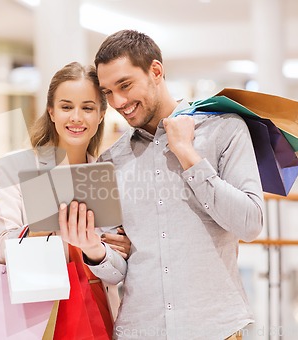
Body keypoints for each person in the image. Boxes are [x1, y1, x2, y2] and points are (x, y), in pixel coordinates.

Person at [58, 30, 264, 339]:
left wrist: (188, 155)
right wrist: (93, 249)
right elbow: (118, 270)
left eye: (125, 85)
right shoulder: (111, 160)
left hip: (215, 329)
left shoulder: (224, 129)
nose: (119, 102)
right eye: (108, 92)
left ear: (156, 71)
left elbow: (250, 224)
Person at [0, 62, 131, 339]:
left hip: (98, 315)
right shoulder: (16, 169)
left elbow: (118, 272)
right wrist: (39, 229)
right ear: (52, 112)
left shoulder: (112, 175)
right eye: (66, 107)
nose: (76, 117)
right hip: (36, 315)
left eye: (88, 108)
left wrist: (95, 249)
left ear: (102, 114)